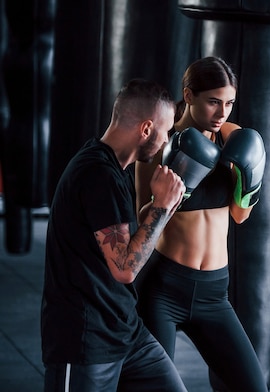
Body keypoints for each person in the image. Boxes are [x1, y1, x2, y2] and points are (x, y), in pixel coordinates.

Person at [41, 79, 189, 392]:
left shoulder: (110, 168)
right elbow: (124, 268)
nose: (166, 142)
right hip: (86, 343)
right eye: (166, 132)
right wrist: (161, 209)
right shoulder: (97, 175)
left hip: (126, 332)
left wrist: (164, 206)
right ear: (146, 129)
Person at [134, 56, 267, 392]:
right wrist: (180, 187)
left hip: (214, 292)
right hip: (165, 289)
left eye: (229, 103)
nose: (222, 113)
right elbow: (142, 220)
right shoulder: (160, 145)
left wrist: (248, 181)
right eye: (213, 102)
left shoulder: (233, 137)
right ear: (189, 95)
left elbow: (240, 215)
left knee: (253, 387)